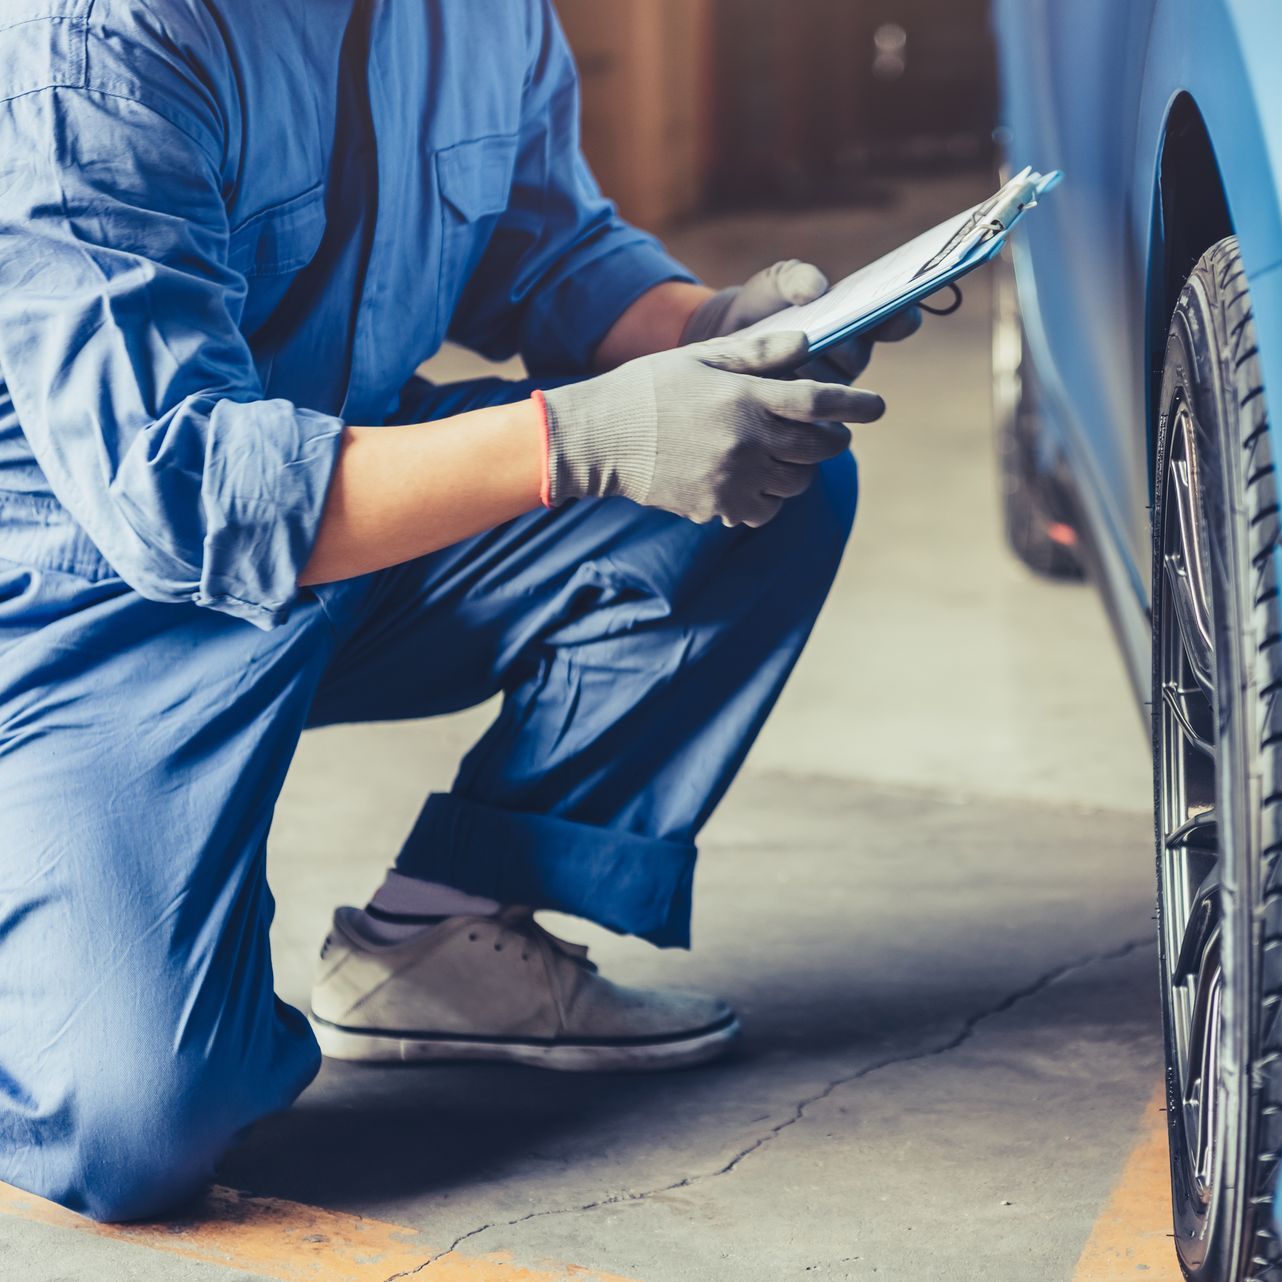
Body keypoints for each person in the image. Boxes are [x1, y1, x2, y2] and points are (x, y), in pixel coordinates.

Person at [0, 0, 920, 1223]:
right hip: (97, 608)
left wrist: (715, 332)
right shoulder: (98, 39)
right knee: (135, 1124)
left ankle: (438, 943)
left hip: (363, 528)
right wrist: (578, 437)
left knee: (770, 478)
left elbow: (549, 255)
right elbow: (176, 487)